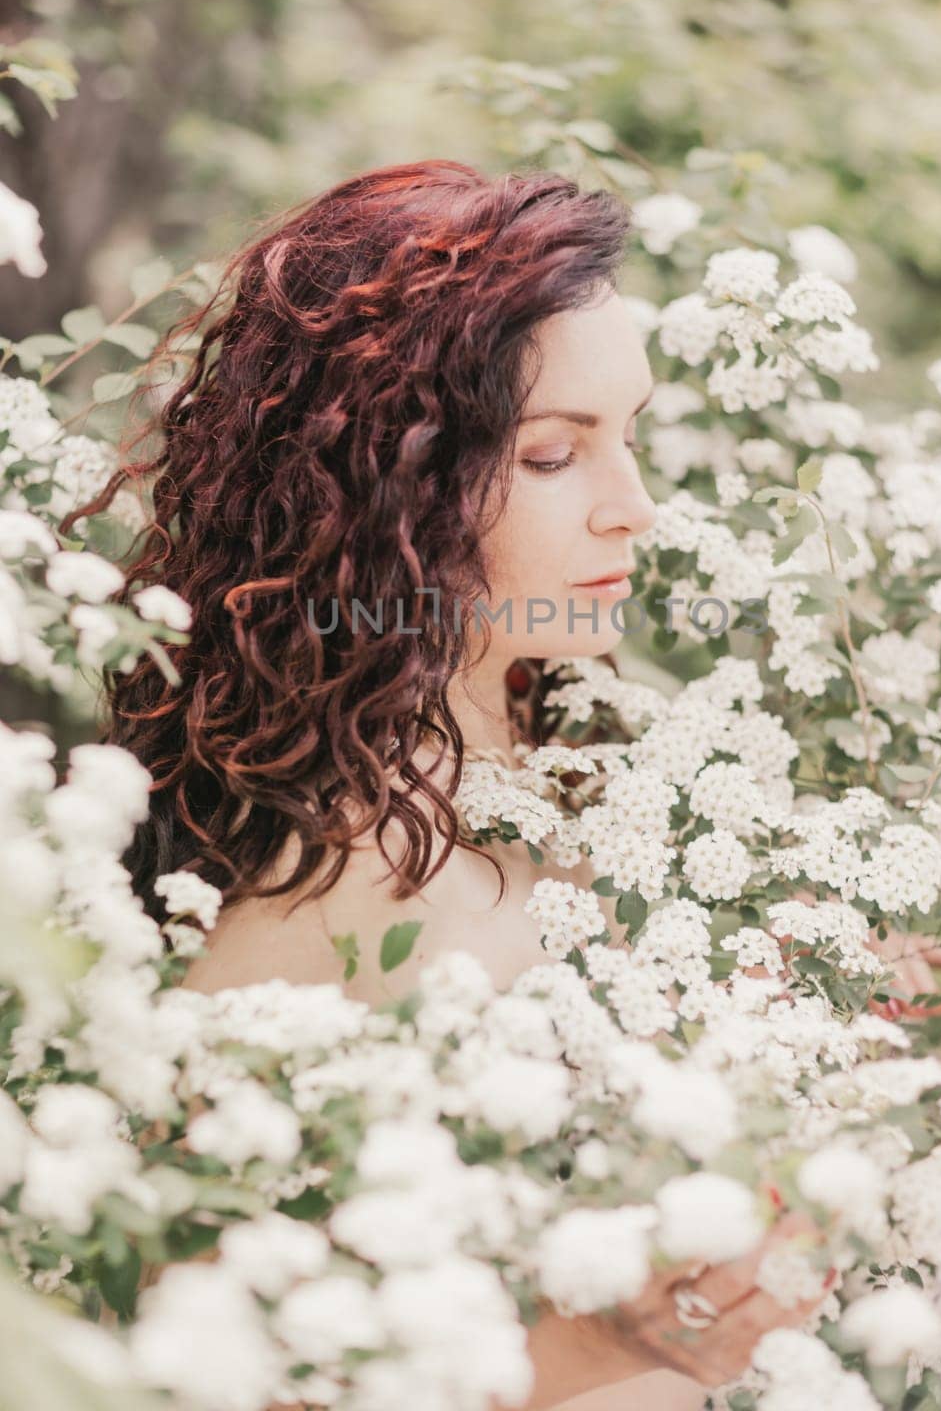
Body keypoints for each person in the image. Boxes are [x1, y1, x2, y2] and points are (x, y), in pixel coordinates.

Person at [72, 161, 829, 1410]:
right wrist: (599, 1347)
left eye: (626, 435)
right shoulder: (313, 881)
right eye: (551, 454)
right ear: (389, 479)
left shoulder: (563, 734)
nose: (633, 508)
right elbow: (217, 1366)